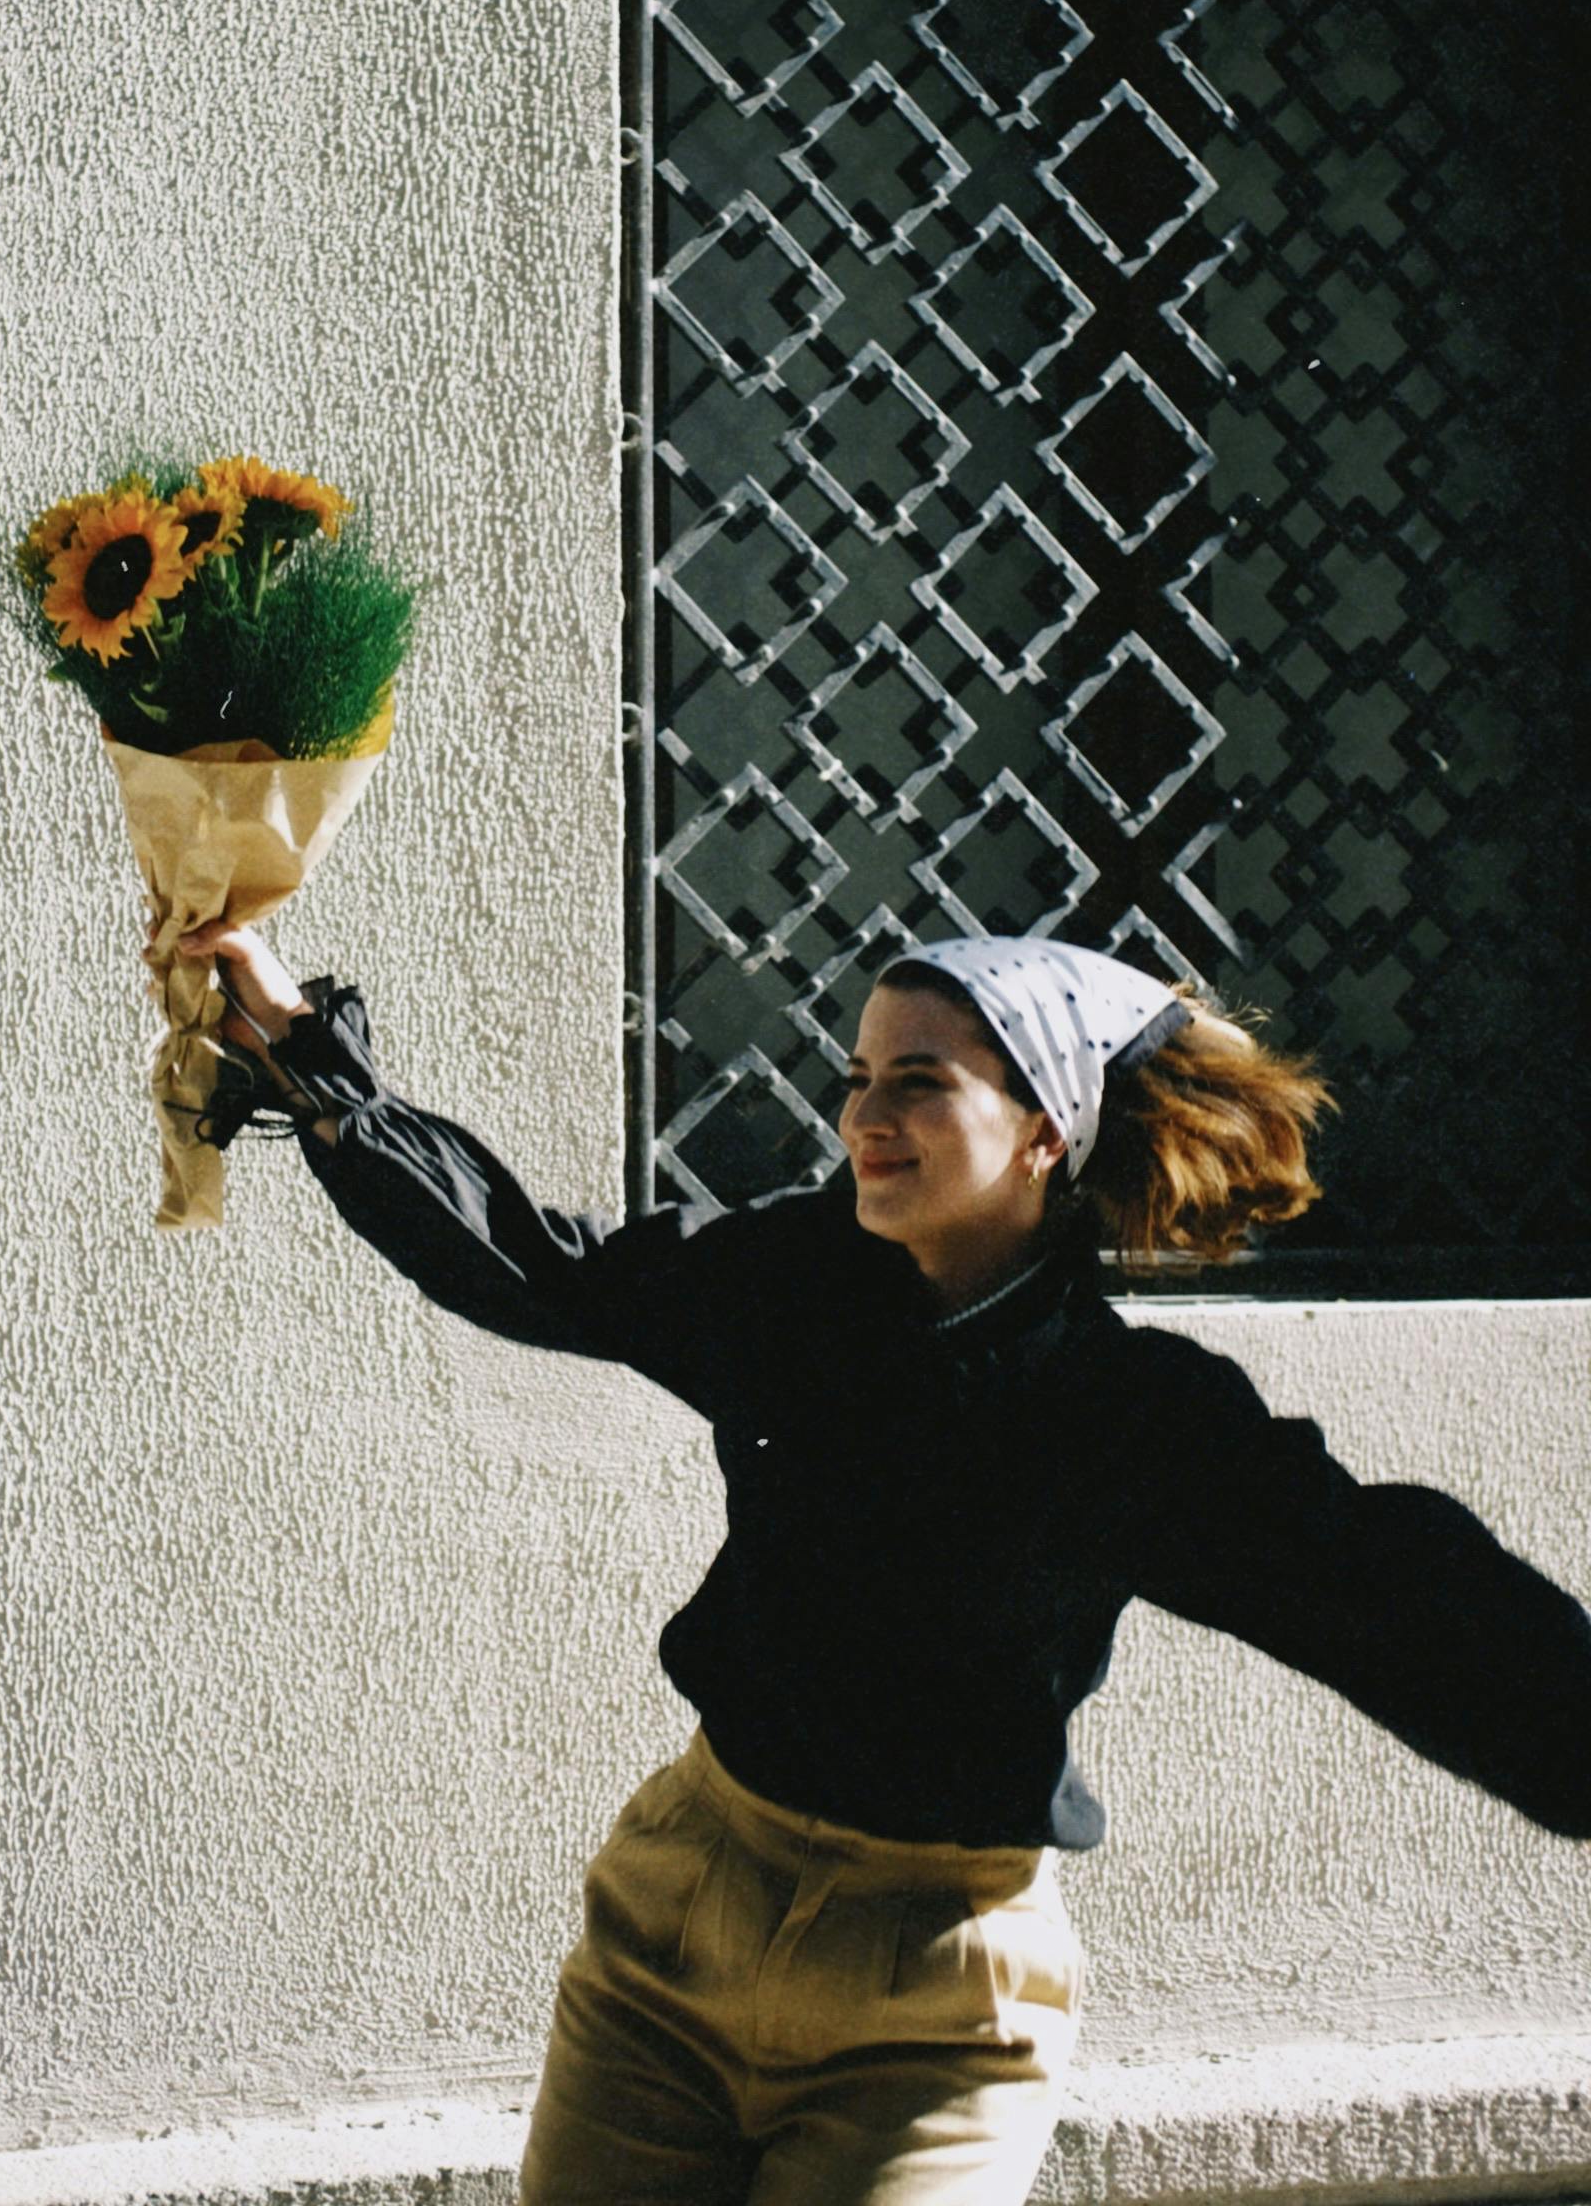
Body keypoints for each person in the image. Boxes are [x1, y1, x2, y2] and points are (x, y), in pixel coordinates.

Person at [177, 920, 1591, 2205]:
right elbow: (547, 1272)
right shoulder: (793, 1284)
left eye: (920, 1082)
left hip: (934, 2006)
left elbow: (1390, 1593)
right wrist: (319, 1076)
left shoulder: (1129, 1416)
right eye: (860, 1077)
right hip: (676, 1933)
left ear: (1046, 1130)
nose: (865, 1116)